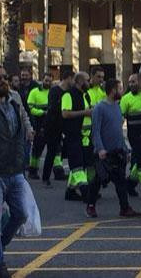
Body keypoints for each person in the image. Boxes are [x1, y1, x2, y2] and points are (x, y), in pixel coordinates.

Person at [88, 79, 141, 218]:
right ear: (112, 90)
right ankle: (91, 206)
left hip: (117, 152)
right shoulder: (99, 108)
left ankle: (125, 208)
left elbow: (118, 131)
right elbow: (96, 131)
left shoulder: (117, 107)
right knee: (98, 180)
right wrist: (100, 149)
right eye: (120, 88)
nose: (122, 91)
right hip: (104, 153)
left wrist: (125, 148)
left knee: (120, 182)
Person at [0, 73, 30, 278]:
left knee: (21, 213)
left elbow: (24, 118)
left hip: (15, 169)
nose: (4, 80)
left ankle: (0, 245)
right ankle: (0, 265)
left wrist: (30, 130)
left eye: (4, 77)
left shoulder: (14, 98)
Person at [120, 74, 141, 199]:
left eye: (133, 81)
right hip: (135, 134)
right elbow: (121, 118)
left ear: (140, 81)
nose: (131, 84)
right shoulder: (126, 98)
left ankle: (130, 183)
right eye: (129, 82)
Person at [60, 72, 94, 202]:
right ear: (80, 82)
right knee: (77, 165)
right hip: (73, 135)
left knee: (82, 164)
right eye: (87, 80)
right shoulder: (68, 95)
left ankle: (70, 191)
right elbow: (65, 114)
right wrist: (85, 113)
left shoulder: (85, 95)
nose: (89, 82)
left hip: (85, 136)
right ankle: (86, 192)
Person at [43, 70, 73, 185]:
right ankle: (46, 177)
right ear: (68, 78)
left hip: (65, 125)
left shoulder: (70, 91)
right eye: (72, 79)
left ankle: (65, 173)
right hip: (53, 125)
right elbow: (52, 108)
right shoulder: (55, 90)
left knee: (66, 149)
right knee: (51, 151)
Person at [26, 73, 53, 179]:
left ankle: (58, 170)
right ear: (42, 80)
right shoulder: (34, 92)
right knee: (37, 148)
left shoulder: (52, 92)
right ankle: (33, 170)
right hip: (39, 122)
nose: (48, 83)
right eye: (46, 80)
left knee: (56, 149)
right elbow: (30, 108)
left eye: (50, 81)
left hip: (51, 123)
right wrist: (42, 112)